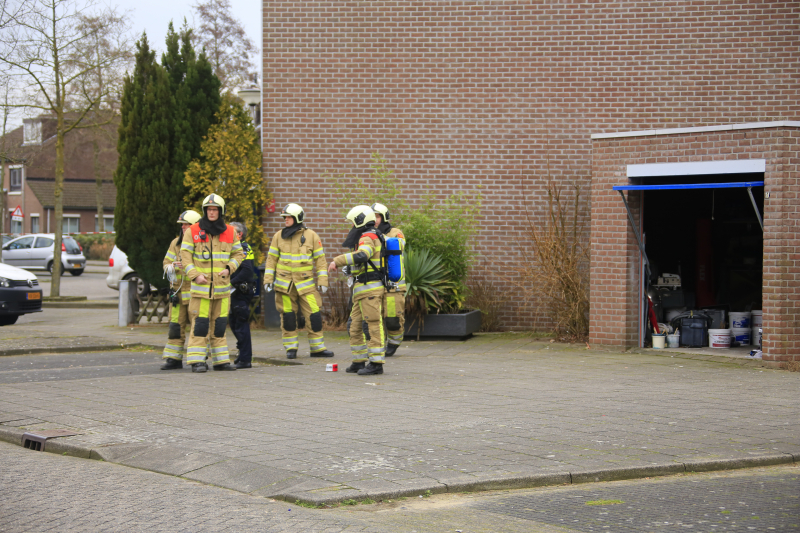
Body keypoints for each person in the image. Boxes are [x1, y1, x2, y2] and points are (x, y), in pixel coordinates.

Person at [180, 194, 245, 372]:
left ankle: (220, 361)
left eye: (215, 209)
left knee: (219, 325)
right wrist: (194, 275)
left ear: (220, 211)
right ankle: (197, 361)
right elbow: (184, 257)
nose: (211, 212)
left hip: (222, 289)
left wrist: (229, 268)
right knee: (200, 325)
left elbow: (239, 254)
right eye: (209, 209)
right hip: (201, 288)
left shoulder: (230, 232)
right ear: (204, 211)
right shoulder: (192, 231)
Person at [263, 203, 334, 359]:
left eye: (288, 217)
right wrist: (268, 279)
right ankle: (291, 348)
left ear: (297, 218)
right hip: (284, 286)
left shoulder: (312, 236)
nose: (285, 220)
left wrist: (323, 281)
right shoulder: (278, 236)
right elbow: (271, 260)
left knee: (314, 315)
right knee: (288, 317)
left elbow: (320, 260)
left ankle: (317, 349)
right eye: (285, 217)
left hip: (306, 286)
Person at [328, 205, 386, 375]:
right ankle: (359, 361)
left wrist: (338, 261)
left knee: (373, 325)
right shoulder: (369, 235)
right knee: (354, 327)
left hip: (370, 290)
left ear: (360, 221)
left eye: (353, 223)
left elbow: (363, 255)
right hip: (362, 290)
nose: (352, 227)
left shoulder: (367, 236)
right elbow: (364, 265)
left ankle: (376, 364)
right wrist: (350, 270)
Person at [160, 209, 202, 370]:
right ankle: (173, 358)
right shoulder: (175, 243)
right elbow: (165, 262)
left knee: (197, 326)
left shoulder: (200, 243)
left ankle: (198, 358)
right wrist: (170, 266)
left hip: (194, 293)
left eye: (187, 225)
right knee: (175, 326)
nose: (184, 228)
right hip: (177, 293)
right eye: (182, 225)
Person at [371, 202, 406, 357]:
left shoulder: (395, 232)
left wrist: (380, 236)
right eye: (372, 217)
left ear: (384, 217)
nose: (375, 220)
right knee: (374, 318)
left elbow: (400, 245)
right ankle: (377, 344)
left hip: (394, 284)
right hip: (374, 283)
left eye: (377, 216)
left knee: (392, 317)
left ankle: (394, 342)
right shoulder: (367, 234)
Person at [228, 221, 256, 369]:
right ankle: (242, 354)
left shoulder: (243, 247)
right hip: (235, 292)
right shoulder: (233, 247)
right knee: (233, 323)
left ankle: (245, 358)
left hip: (240, 291)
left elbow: (247, 271)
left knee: (240, 324)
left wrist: (230, 282)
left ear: (239, 234)